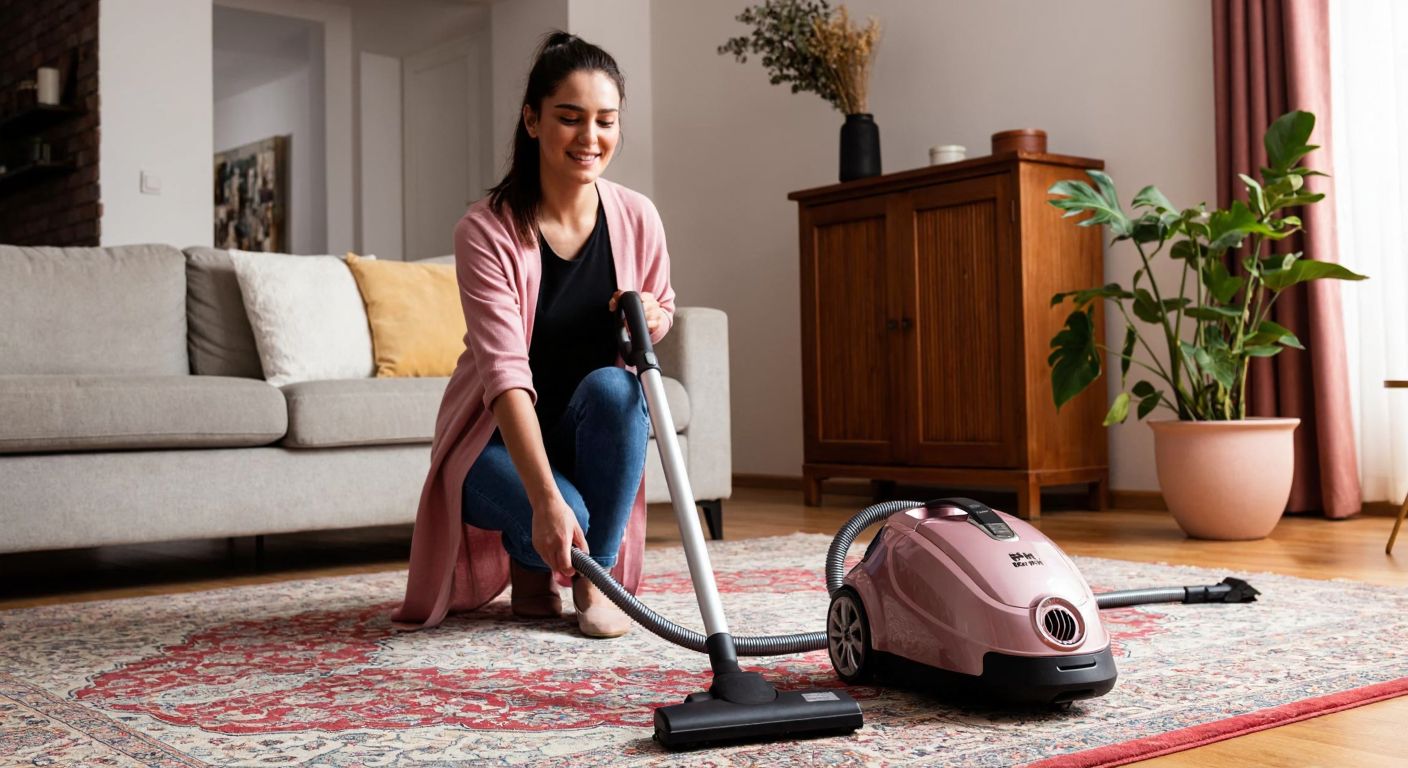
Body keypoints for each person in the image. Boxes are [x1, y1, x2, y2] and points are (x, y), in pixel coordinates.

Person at [393, 31, 674, 638]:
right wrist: (545, 503)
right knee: (564, 510)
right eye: (569, 119)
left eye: (605, 121)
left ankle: (591, 580)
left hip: (585, 430)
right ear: (532, 120)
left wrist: (653, 315)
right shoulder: (485, 231)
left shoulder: (638, 216)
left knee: (620, 392)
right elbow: (504, 377)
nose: (589, 138)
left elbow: (662, 308)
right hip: (491, 444)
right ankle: (538, 560)